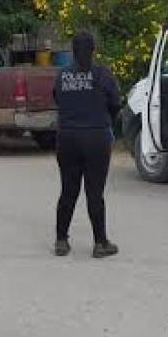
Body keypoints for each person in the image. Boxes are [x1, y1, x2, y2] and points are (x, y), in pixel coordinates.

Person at [52, 31, 121, 258]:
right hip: (96, 138)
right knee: (94, 192)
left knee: (68, 191)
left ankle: (61, 241)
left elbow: (58, 100)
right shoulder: (103, 75)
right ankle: (100, 244)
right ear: (93, 51)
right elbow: (115, 104)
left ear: (72, 51)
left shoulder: (62, 76)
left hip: (68, 137)